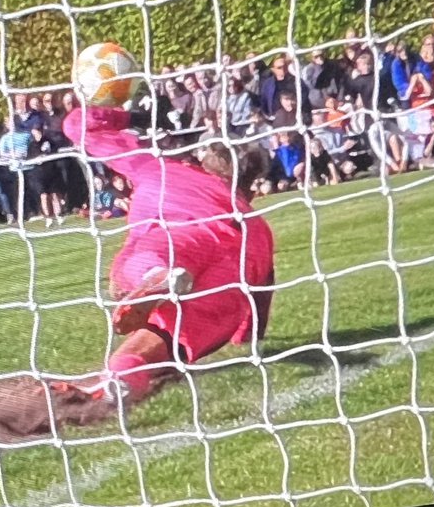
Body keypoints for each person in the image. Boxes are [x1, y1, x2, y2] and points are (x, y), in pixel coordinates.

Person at [56, 104, 276, 405]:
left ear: (205, 158)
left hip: (174, 241)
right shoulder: (259, 227)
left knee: (139, 264)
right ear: (251, 181)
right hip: (236, 254)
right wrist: (248, 337)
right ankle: (117, 381)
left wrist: (131, 117)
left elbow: (76, 125)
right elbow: (263, 286)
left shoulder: (160, 168)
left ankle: (154, 277)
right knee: (171, 338)